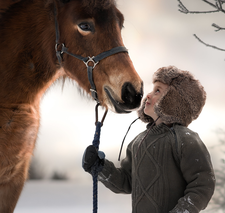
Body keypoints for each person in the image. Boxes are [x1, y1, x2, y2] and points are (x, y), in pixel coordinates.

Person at [82, 65, 215, 213]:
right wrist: (100, 168)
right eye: (152, 89)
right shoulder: (138, 142)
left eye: (158, 90)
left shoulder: (185, 139)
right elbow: (126, 181)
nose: (148, 95)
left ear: (174, 100)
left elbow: (203, 185)